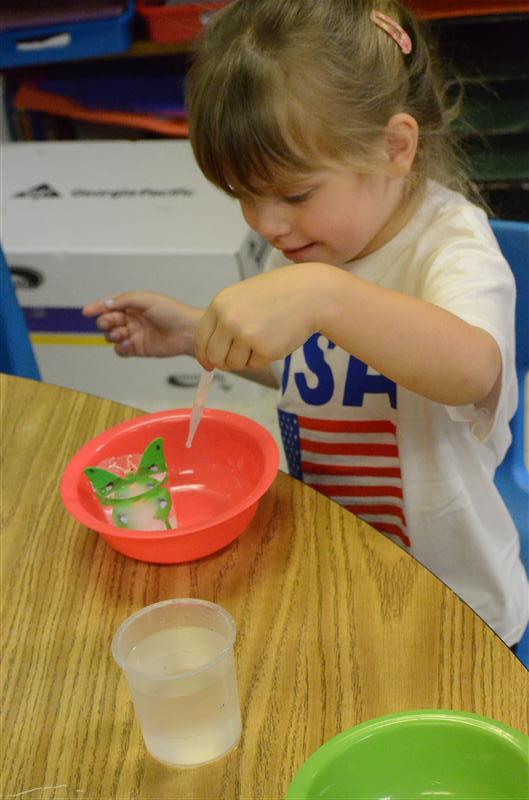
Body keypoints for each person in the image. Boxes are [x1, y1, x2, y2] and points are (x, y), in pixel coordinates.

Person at [83, 0, 528, 647]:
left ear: (395, 148)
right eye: (244, 195)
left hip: (456, 609)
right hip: (341, 570)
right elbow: (315, 372)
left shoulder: (449, 247)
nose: (266, 224)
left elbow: (472, 372)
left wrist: (325, 294)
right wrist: (192, 332)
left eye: (293, 194)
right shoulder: (304, 246)